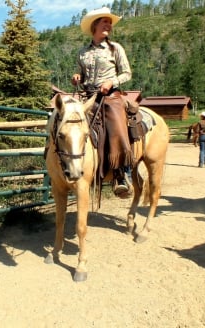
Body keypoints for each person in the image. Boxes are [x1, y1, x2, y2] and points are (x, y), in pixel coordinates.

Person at [71, 7, 133, 197]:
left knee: (118, 127)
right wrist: (77, 77)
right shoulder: (82, 52)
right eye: (104, 22)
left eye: (110, 22)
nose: (108, 25)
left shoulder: (116, 48)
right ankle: (75, 169)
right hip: (88, 96)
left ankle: (121, 174)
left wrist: (111, 82)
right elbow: (80, 72)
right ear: (94, 26)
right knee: (70, 126)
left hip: (110, 97)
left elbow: (127, 74)